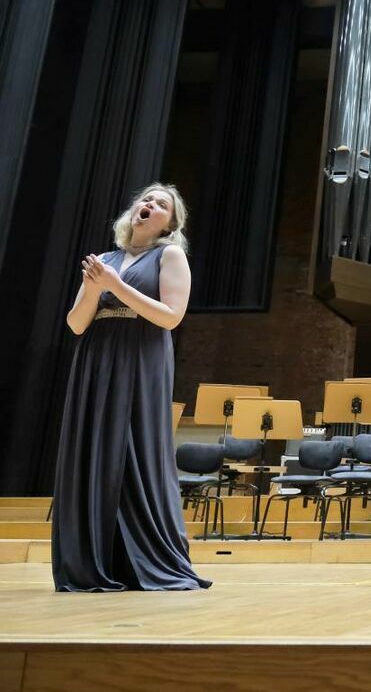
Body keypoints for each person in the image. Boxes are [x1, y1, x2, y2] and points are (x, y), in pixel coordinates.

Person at [52, 183, 210, 592]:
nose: (150, 205)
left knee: (134, 449)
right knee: (94, 448)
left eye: (162, 205)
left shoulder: (169, 255)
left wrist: (115, 286)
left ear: (170, 223)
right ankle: (91, 560)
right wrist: (93, 286)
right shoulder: (104, 259)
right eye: (147, 199)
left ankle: (147, 558)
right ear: (134, 210)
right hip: (97, 357)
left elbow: (172, 317)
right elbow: (75, 323)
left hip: (141, 358)